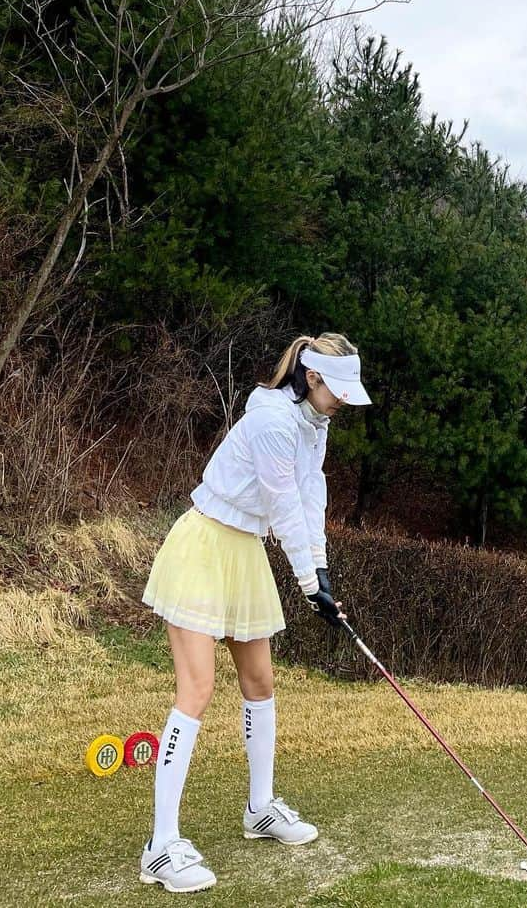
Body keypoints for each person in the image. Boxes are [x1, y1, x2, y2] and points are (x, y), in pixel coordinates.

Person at [137, 332, 371, 894]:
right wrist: (304, 579)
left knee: (260, 683)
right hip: (204, 545)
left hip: (244, 550)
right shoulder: (271, 421)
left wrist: (322, 574)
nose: (342, 400)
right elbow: (281, 500)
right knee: (197, 689)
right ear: (311, 378)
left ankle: (260, 808)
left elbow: (311, 499)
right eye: (335, 388)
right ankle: (160, 847)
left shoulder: (315, 426)